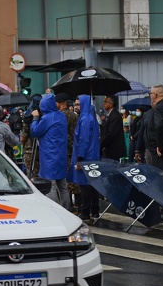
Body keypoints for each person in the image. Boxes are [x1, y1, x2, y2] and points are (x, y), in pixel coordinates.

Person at [30, 94, 70, 209]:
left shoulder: (47, 118)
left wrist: (36, 118)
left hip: (49, 157)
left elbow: (35, 131)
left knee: (51, 186)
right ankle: (67, 210)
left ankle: (56, 210)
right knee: (63, 186)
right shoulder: (61, 116)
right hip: (61, 156)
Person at [68, 94, 100, 222]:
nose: (76, 107)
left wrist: (80, 159)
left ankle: (85, 212)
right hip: (92, 156)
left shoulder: (85, 119)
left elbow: (83, 140)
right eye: (75, 104)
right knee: (92, 185)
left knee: (85, 185)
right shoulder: (90, 118)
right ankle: (94, 211)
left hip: (86, 157)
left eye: (78, 104)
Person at [99, 95, 125, 161]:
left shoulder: (115, 116)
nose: (103, 103)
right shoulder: (110, 115)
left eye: (106, 102)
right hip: (109, 149)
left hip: (113, 150)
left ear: (111, 104)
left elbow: (111, 134)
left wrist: (101, 144)